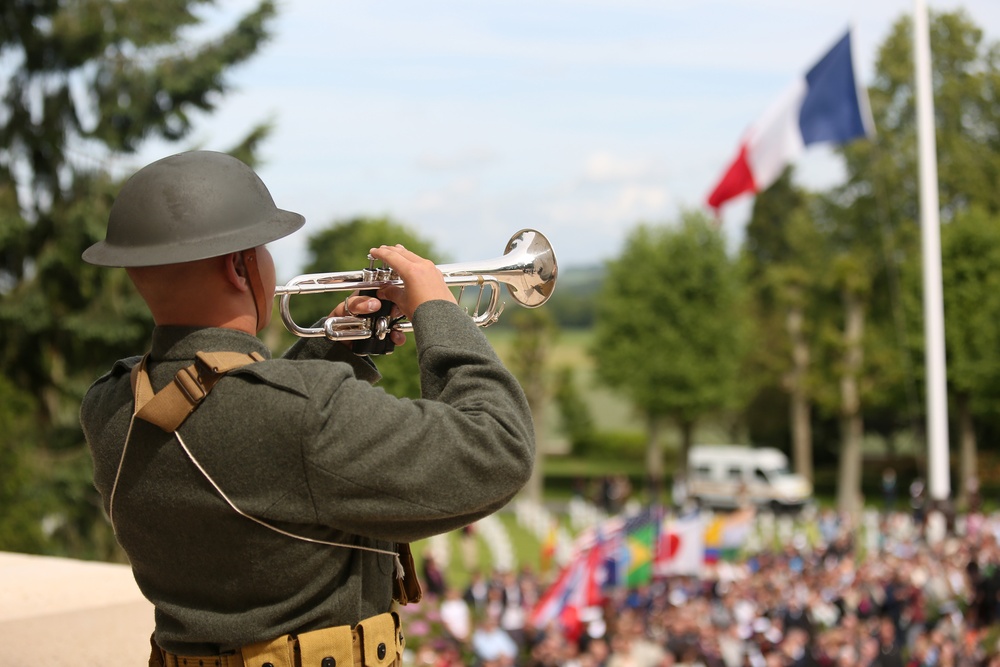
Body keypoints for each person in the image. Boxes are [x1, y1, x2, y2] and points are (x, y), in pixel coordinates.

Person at [79, 150, 536, 667]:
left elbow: (237, 424)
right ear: (239, 266)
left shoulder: (110, 404)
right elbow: (498, 447)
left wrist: (333, 346)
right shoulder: (303, 413)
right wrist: (438, 312)